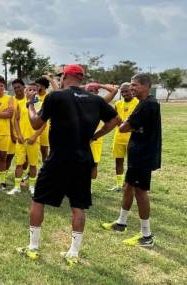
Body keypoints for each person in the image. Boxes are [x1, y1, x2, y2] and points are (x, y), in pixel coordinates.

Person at [17, 64, 119, 266]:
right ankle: (73, 253)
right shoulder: (95, 100)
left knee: (38, 200)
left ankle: (33, 248)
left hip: (58, 159)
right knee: (78, 206)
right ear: (81, 78)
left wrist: (30, 104)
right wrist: (94, 136)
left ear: (65, 76)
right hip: (83, 159)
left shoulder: (57, 96)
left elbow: (36, 123)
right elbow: (115, 119)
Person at [102, 73, 161, 247]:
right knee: (128, 187)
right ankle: (121, 223)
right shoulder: (146, 103)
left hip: (143, 156)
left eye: (135, 85)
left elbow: (123, 128)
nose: (131, 88)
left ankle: (147, 235)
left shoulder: (146, 105)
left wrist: (121, 120)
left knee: (140, 192)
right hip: (138, 155)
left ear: (146, 86)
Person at [8, 81, 45, 196]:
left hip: (33, 140)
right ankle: (17, 187)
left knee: (33, 165)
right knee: (19, 164)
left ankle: (32, 186)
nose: (31, 91)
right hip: (22, 140)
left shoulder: (41, 104)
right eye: (29, 89)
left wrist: (34, 136)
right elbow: (16, 120)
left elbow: (43, 124)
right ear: (25, 91)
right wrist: (19, 135)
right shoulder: (21, 103)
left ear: (37, 90)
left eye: (34, 89)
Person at [109, 83, 139, 191]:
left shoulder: (138, 103)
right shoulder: (118, 103)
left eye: (126, 91)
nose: (124, 93)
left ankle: (132, 185)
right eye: (122, 92)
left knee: (133, 163)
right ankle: (119, 185)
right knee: (118, 161)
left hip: (133, 137)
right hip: (119, 137)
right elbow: (115, 119)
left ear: (132, 90)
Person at [85, 82, 119, 179]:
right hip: (81, 138)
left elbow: (114, 90)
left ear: (97, 92)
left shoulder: (100, 102)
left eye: (92, 91)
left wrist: (99, 85)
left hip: (95, 138)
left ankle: (89, 187)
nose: (90, 93)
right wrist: (85, 86)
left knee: (94, 164)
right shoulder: (79, 102)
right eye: (88, 91)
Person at [34, 76, 58, 162]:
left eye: (37, 86)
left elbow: (58, 92)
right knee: (32, 151)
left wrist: (51, 80)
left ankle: (44, 170)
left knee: (44, 152)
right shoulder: (33, 96)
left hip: (45, 128)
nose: (35, 88)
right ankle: (31, 172)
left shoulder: (49, 96)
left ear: (43, 87)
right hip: (34, 127)